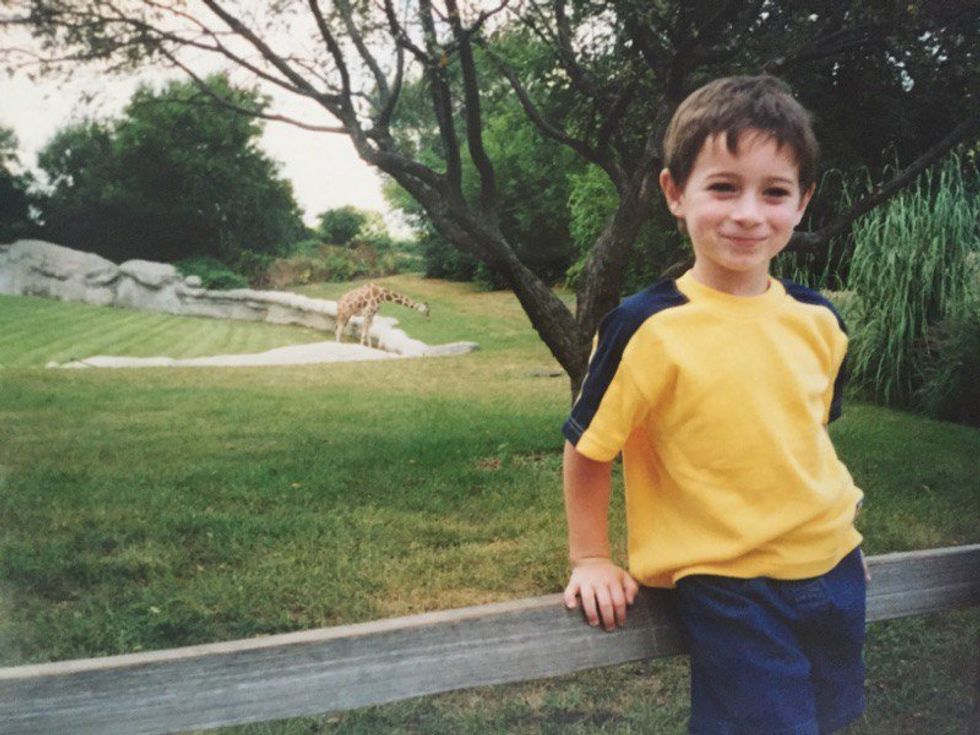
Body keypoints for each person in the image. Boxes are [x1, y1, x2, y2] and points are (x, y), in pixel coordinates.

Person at [560, 75, 869, 735]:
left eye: (775, 192)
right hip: (729, 583)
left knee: (830, 719)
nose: (749, 213)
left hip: (837, 565)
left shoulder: (820, 320)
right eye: (724, 186)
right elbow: (589, 446)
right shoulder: (647, 326)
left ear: (803, 202)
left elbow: (807, 433)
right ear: (675, 193)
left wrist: (840, 532)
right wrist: (590, 557)